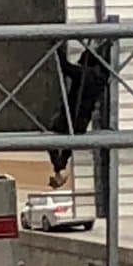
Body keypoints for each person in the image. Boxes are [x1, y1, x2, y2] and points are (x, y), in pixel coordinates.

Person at [48, 43, 110, 189]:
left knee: (50, 137)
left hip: (71, 115)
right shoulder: (101, 79)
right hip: (81, 120)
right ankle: (60, 169)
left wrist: (55, 47)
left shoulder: (85, 74)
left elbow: (65, 67)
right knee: (66, 142)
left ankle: (60, 169)